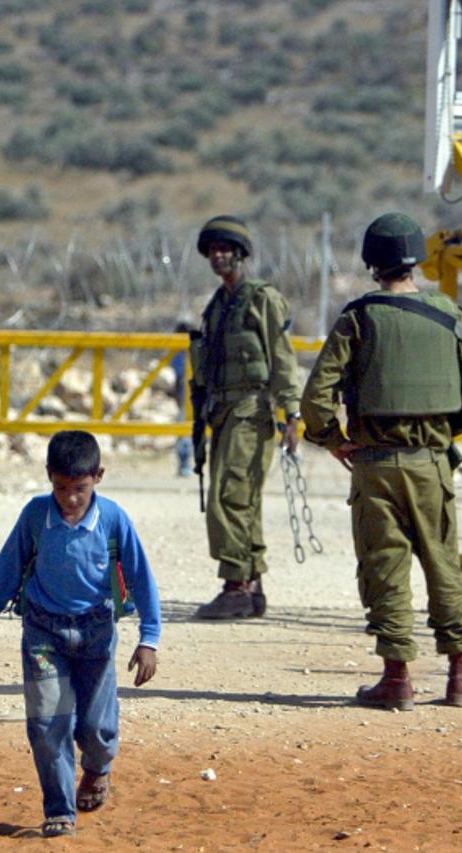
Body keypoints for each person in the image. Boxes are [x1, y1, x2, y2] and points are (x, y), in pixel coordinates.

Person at [299, 212, 462, 711]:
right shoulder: (448, 314)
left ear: (372, 263)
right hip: (431, 463)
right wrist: (436, 439)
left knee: (385, 567)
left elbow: (315, 398)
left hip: (375, 462)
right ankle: (461, 677)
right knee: (443, 564)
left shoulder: (359, 317)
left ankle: (397, 679)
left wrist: (333, 440)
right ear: (415, 260)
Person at [0, 430, 161, 839]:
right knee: (46, 723)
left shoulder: (112, 519)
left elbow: (143, 579)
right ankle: (60, 809)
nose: (70, 498)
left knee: (94, 725)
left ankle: (97, 768)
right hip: (43, 631)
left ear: (98, 477)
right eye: (61, 487)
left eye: (80, 488)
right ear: (48, 478)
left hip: (97, 631)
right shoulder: (35, 516)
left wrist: (149, 639)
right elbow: (9, 564)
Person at [188, 215, 302, 620]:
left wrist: (292, 411)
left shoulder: (260, 299)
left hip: (252, 409)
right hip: (223, 410)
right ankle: (250, 585)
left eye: (225, 249)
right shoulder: (218, 305)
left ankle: (236, 584)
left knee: (230, 496)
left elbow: (282, 355)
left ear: (239, 253)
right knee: (241, 498)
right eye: (213, 250)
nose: (218, 256)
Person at [171, 319, 194, 477]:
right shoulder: (189, 352)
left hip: (187, 397)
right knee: (186, 432)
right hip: (190, 397)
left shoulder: (177, 354)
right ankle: (185, 465)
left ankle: (185, 465)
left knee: (185, 432)